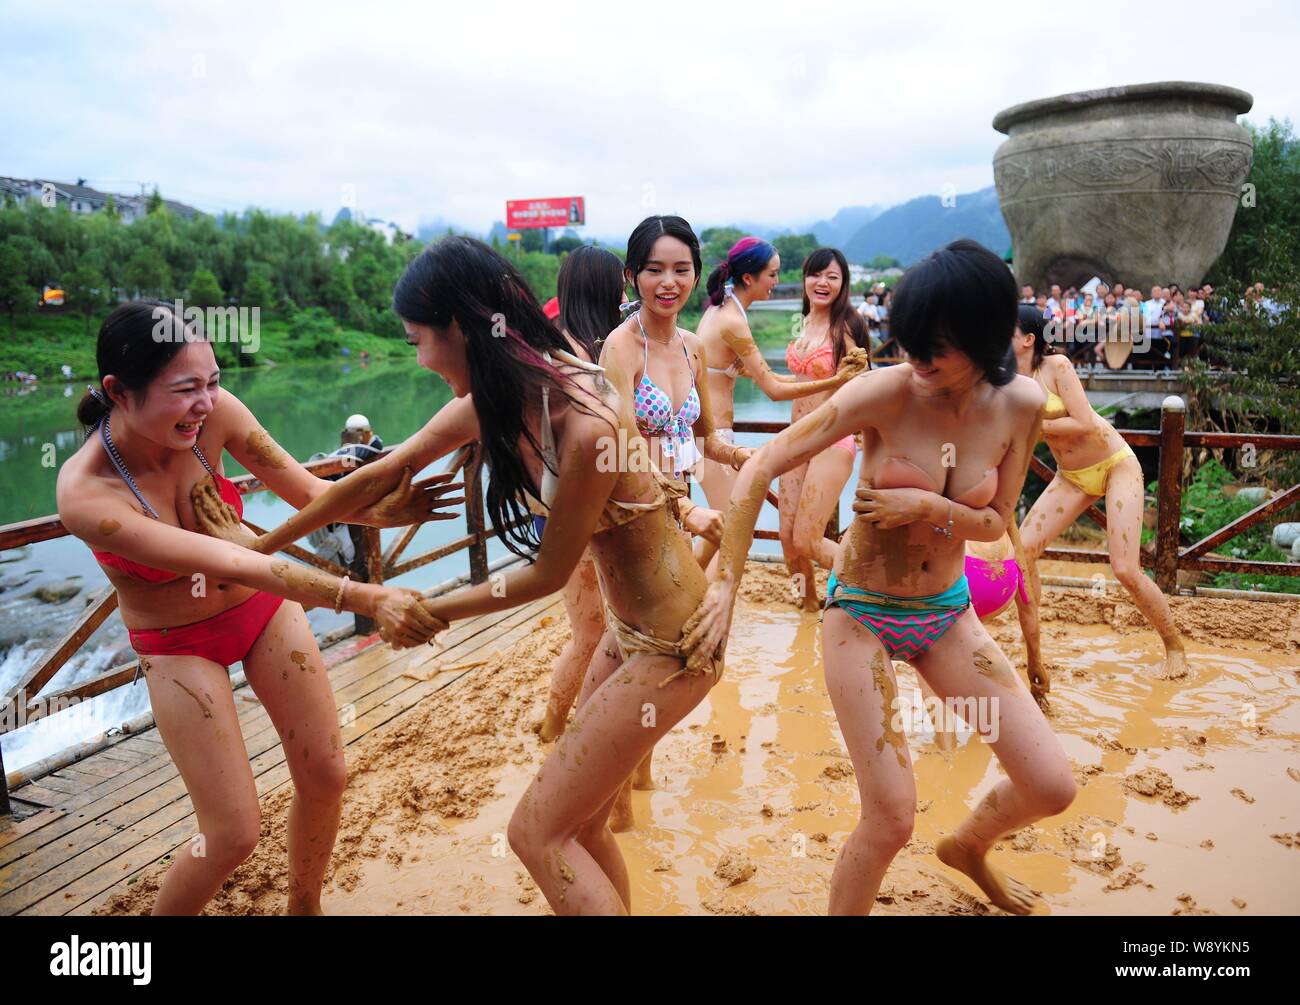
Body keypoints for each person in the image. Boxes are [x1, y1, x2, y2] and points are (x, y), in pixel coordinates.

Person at [682, 240, 1075, 916]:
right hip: (861, 611)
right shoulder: (884, 392)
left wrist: (927, 506)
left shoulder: (1021, 403)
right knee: (892, 816)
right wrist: (726, 585)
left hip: (947, 613)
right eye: (910, 346)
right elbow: (758, 468)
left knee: (1051, 784)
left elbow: (995, 523)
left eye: (933, 353)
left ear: (983, 343)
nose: (916, 365)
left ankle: (969, 847)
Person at [56, 302, 452, 915]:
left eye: (212, 382)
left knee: (325, 775)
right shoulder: (86, 493)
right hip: (177, 646)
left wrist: (379, 509)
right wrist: (365, 595)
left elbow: (311, 493)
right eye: (185, 389)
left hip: (263, 612)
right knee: (232, 835)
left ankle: (304, 907)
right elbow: (233, 559)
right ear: (118, 392)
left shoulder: (220, 415)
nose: (206, 403)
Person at [401, 234, 725, 915]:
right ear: (629, 278)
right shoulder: (599, 357)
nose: (667, 282)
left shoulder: (673, 357)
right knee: (583, 820)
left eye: (416, 340)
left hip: (668, 628)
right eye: (653, 270)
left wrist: (729, 585)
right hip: (627, 607)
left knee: (534, 832)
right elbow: (391, 466)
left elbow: (702, 458)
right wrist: (272, 542)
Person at [1013, 304, 1188, 678]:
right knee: (1022, 553)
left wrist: (1033, 427)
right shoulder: (1007, 379)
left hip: (1115, 466)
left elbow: (1084, 424)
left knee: (1125, 569)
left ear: (1029, 339)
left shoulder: (1056, 367)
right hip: (1071, 476)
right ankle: (1035, 657)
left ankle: (1174, 648)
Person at [696, 236, 866, 520]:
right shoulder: (733, 321)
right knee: (731, 528)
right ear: (750, 278)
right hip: (714, 437)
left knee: (729, 528)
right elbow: (773, 389)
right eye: (773, 274)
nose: (777, 280)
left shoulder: (718, 308)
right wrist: (835, 381)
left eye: (832, 276)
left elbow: (774, 377)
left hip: (710, 434)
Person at [781, 247, 871, 610]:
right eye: (816, 275)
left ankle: (873, 590)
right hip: (795, 438)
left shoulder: (847, 326)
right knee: (787, 538)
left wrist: (870, 434)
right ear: (805, 279)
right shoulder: (803, 321)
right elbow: (796, 380)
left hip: (832, 439)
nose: (822, 283)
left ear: (842, 284)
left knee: (808, 540)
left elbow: (864, 384)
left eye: (832, 277)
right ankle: (808, 611)